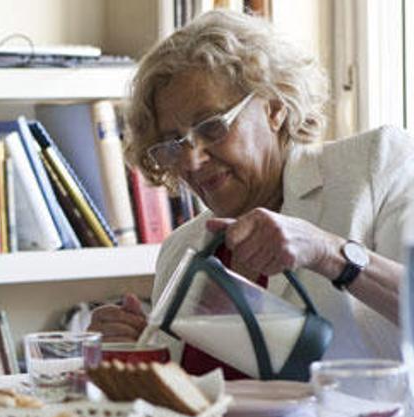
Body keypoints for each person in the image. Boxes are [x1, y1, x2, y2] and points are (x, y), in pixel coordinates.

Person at [88, 10, 414, 375]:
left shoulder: (375, 164)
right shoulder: (182, 248)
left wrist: (328, 252)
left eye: (212, 127)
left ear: (274, 108)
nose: (192, 161)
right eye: (173, 143)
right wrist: (142, 353)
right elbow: (194, 399)